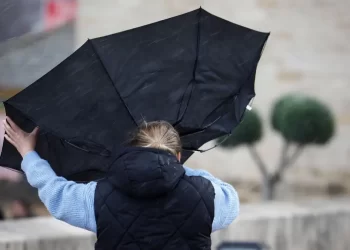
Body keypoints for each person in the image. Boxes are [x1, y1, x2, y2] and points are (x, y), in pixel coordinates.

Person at [3, 117, 239, 249]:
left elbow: (56, 194)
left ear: (133, 149)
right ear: (176, 155)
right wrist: (178, 168)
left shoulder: (98, 195)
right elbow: (232, 201)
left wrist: (28, 154)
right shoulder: (206, 195)